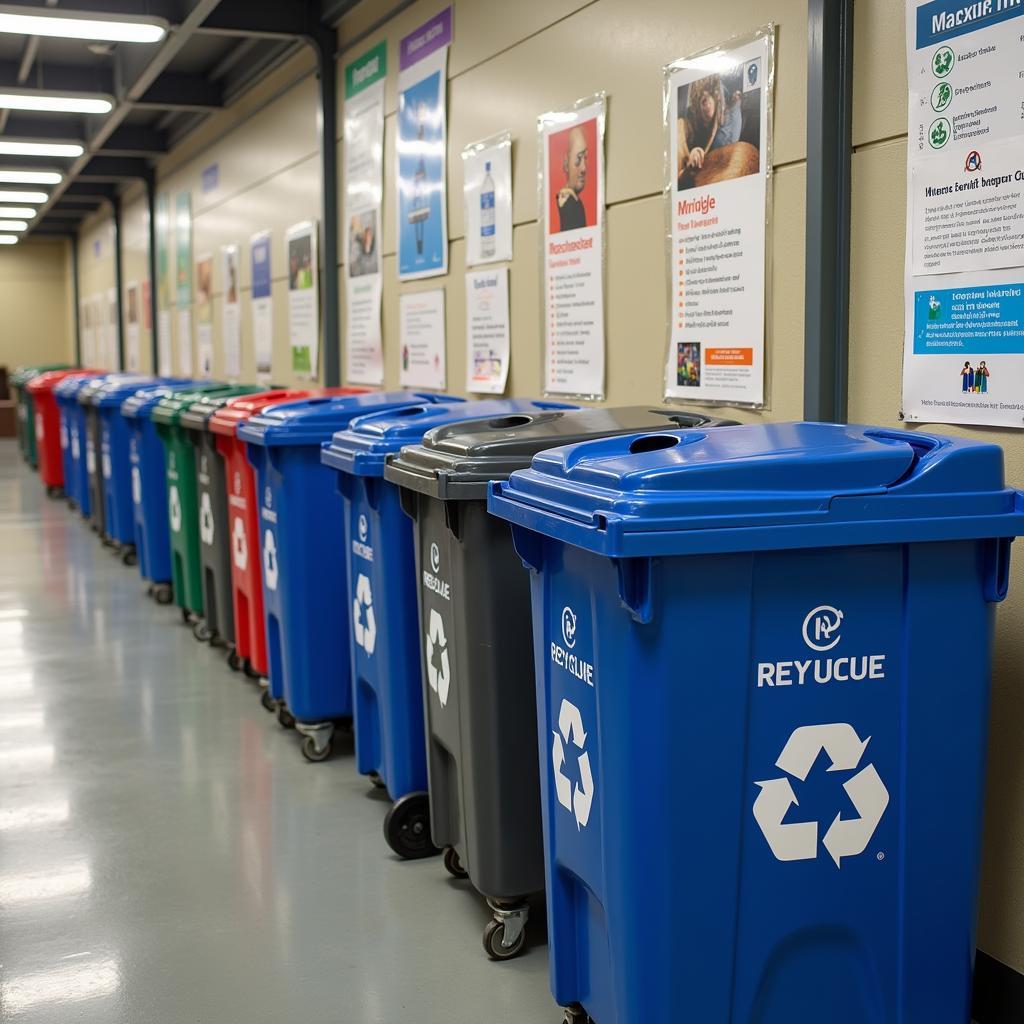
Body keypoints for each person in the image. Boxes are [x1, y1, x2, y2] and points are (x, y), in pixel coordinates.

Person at [679, 74, 743, 182]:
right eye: (703, 100)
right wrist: (695, 152)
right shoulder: (690, 117)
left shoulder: (729, 115)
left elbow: (721, 160)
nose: (707, 104)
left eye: (708, 98)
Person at [556, 125, 588, 232]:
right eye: (579, 158)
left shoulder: (574, 202)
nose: (584, 168)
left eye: (585, 158)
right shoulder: (570, 204)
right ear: (566, 163)